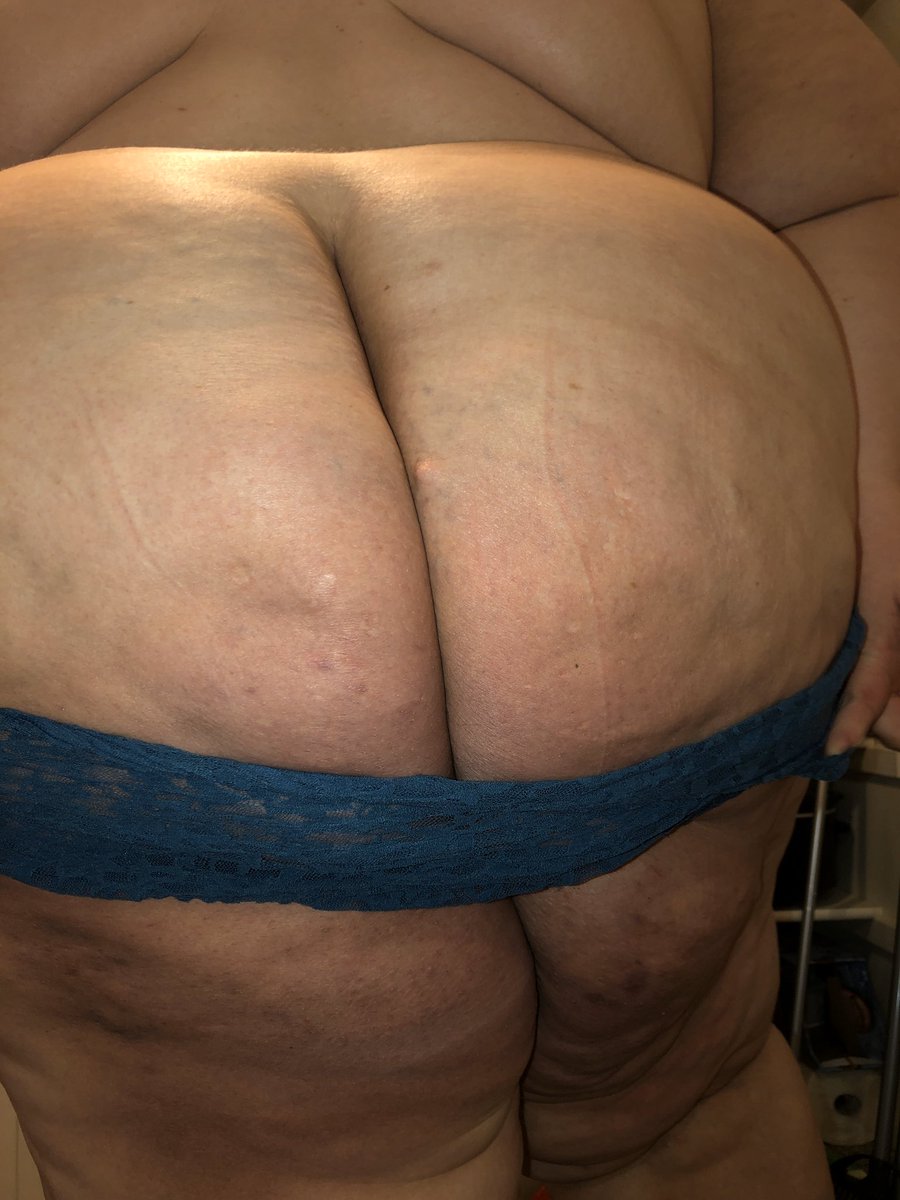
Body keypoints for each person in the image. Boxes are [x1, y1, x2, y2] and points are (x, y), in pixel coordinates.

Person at [0, 2, 897, 1198]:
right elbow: (852, 186)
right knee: (675, 1112)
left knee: (284, 1166)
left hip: (88, 376)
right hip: (641, 366)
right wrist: (882, 515)